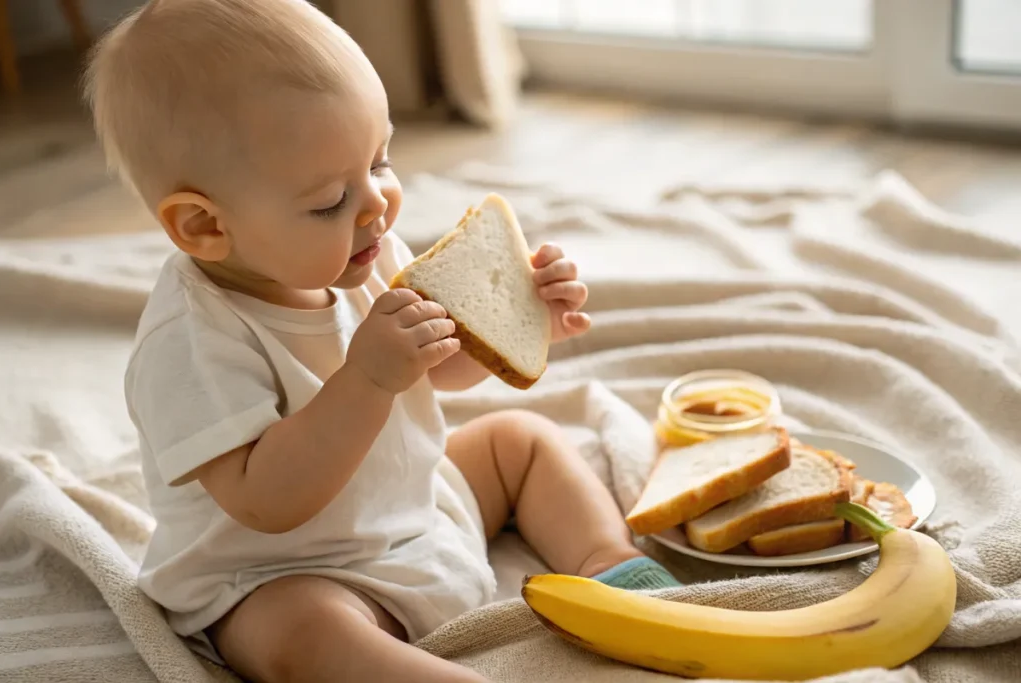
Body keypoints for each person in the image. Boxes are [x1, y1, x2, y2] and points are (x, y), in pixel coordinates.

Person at [84, 1, 679, 681]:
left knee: (520, 440)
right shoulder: (190, 339)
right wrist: (366, 379)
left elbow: (441, 369)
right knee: (301, 635)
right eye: (330, 199)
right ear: (203, 226)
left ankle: (611, 567)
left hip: (413, 510)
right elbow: (266, 500)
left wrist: (527, 314)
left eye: (380, 159)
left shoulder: (364, 248)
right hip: (283, 570)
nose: (376, 204)